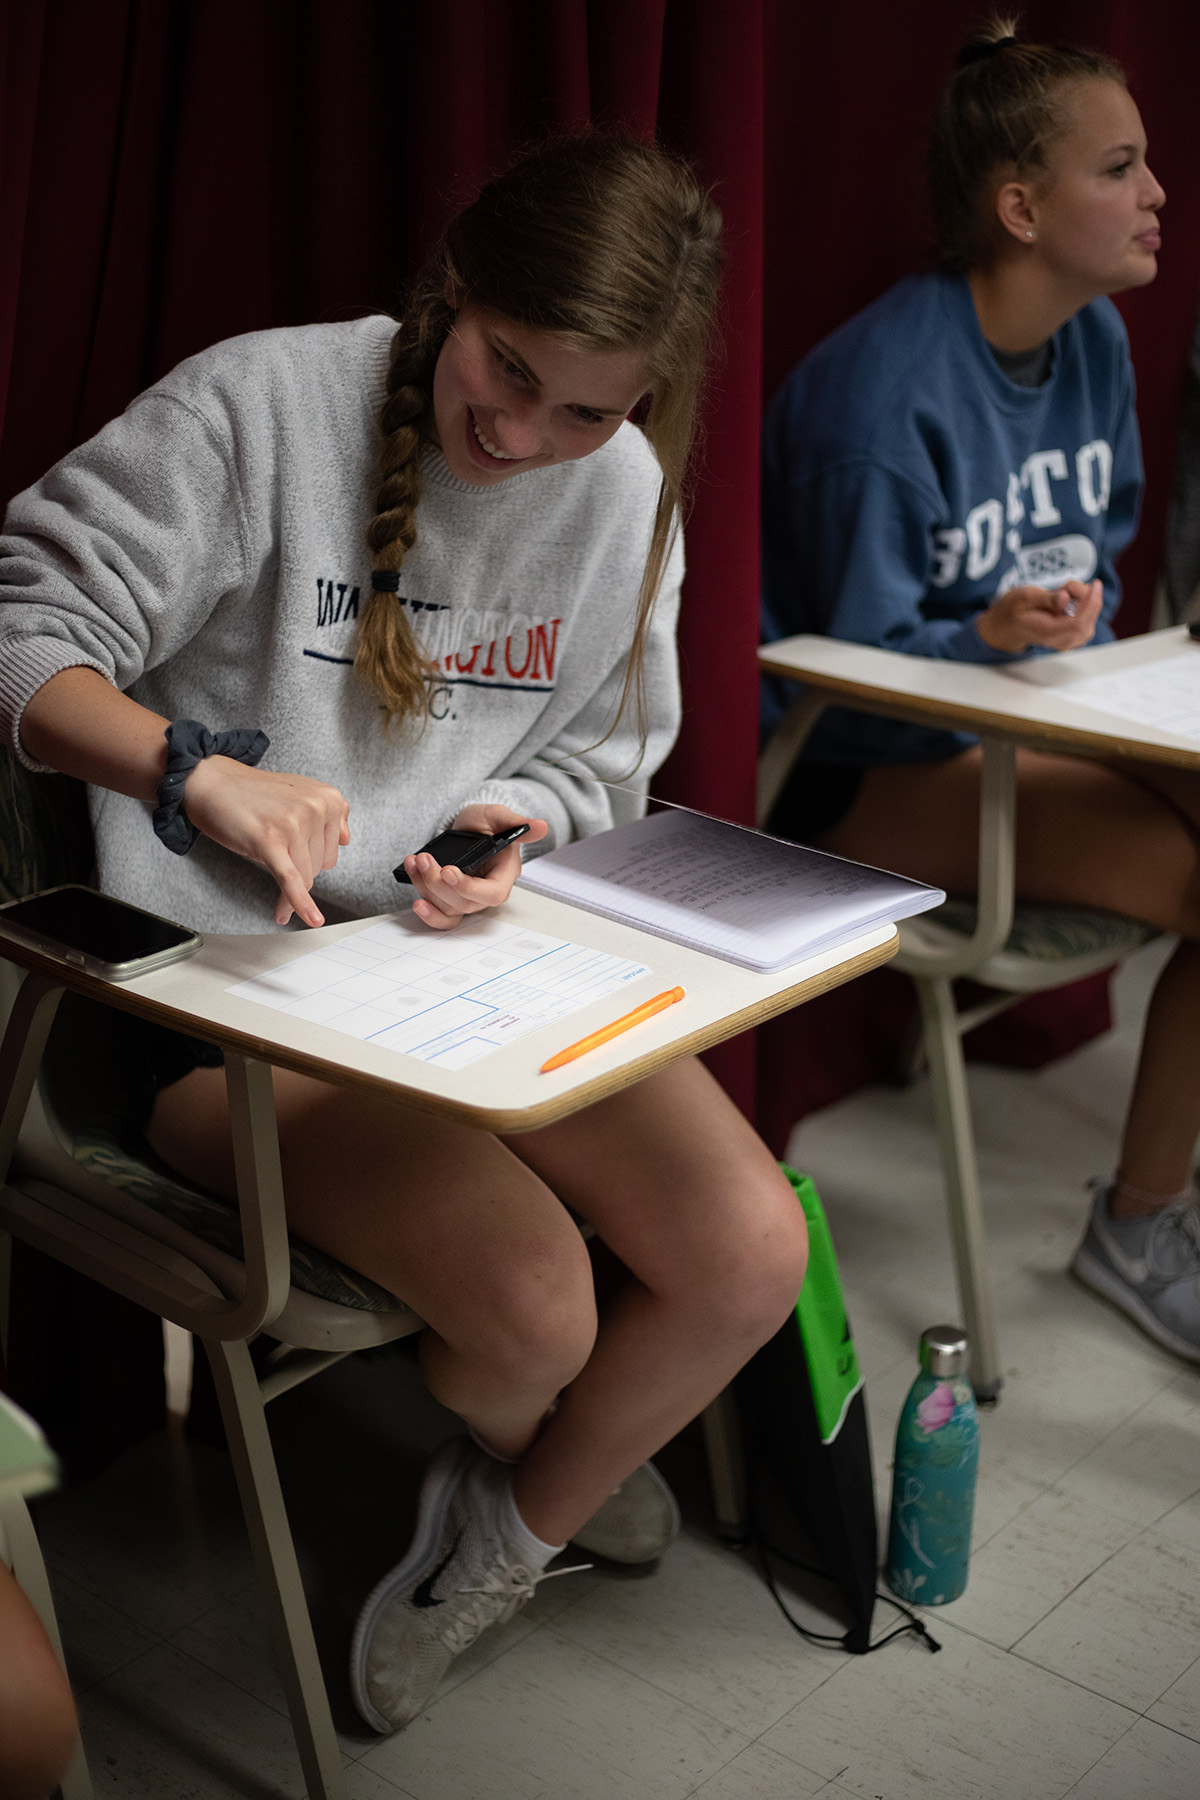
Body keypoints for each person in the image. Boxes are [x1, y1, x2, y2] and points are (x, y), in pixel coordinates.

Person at [0, 133, 808, 1733]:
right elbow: (22, 626)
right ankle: (552, 1447)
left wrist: (518, 828)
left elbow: (598, 754)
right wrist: (190, 769)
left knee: (750, 1250)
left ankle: (512, 1522)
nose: (521, 434)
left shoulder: (622, 488)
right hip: (216, 994)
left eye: (586, 409)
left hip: (447, 965)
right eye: (505, 369)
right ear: (458, 286)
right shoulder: (267, 404)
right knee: (541, 1316)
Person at [761, 20, 1200, 1364]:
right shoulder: (879, 401)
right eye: (1118, 168)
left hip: (1022, 715)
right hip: (858, 766)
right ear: (1020, 207)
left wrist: (1038, 635)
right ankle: (1138, 1224)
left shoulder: (1101, 346)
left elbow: (1097, 558)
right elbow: (861, 668)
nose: (1159, 193)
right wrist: (992, 644)